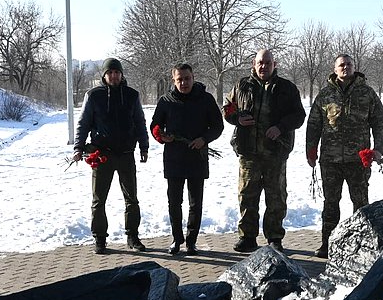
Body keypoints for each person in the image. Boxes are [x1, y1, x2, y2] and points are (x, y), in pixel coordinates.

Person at [222, 49, 306, 253]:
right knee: (247, 196)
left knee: (275, 197)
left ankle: (274, 237)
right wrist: (237, 119)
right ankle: (247, 237)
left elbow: (299, 115)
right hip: (248, 153)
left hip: (275, 153)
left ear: (274, 64)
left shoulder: (286, 88)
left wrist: (281, 127)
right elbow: (227, 108)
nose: (263, 66)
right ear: (254, 63)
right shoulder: (242, 85)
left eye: (268, 63)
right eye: (260, 62)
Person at [306, 54, 383, 258]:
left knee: (360, 203)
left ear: (354, 67)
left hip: (359, 160)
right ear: (335, 69)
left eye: (348, 64)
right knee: (330, 203)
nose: (345, 68)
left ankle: (361, 245)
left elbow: (380, 122)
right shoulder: (325, 95)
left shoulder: (367, 94)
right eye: (341, 65)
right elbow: (314, 124)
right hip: (330, 160)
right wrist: (311, 149)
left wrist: (378, 149)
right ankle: (327, 244)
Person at [73, 57, 149, 254]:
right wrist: (78, 148)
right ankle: (99, 238)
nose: (114, 76)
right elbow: (83, 123)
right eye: (110, 73)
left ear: (122, 74)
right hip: (102, 155)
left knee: (131, 198)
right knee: (99, 200)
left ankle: (133, 236)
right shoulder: (94, 95)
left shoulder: (132, 95)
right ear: (104, 75)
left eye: (117, 72)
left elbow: (140, 122)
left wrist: (144, 146)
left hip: (126, 154)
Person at [150, 63, 223, 255]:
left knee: (195, 203)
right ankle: (177, 239)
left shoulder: (205, 99)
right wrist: (161, 136)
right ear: (174, 80)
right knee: (174, 202)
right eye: (180, 79)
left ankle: (191, 241)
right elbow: (155, 126)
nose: (184, 82)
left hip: (196, 158)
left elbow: (218, 126)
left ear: (193, 77)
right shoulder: (166, 101)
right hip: (174, 159)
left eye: (187, 78)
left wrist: (204, 139)